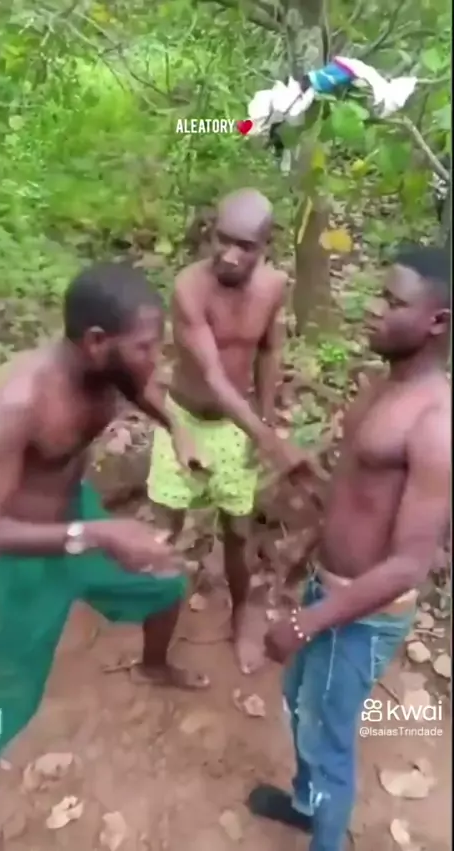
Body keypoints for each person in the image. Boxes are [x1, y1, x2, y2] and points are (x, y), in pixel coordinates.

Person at [0, 261, 209, 823]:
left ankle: (154, 666)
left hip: (78, 522)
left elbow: (142, 387)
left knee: (166, 582)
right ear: (96, 342)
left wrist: (178, 428)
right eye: (145, 347)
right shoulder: (18, 404)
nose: (155, 360)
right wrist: (101, 533)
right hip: (13, 564)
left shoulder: (111, 369)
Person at [247, 245, 451, 851]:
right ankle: (305, 804)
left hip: (360, 617)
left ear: (437, 322)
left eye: (393, 303)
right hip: (329, 590)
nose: (373, 309)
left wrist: (305, 624)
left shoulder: (435, 423)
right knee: (298, 704)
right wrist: (308, 547)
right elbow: (357, 493)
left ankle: (325, 839)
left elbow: (409, 564)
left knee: (328, 740)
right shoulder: (383, 385)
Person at [147, 188, 307, 674]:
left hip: (238, 430)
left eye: (245, 246)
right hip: (183, 422)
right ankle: (154, 653)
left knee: (238, 532)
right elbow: (213, 377)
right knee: (165, 535)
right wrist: (268, 438)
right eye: (222, 239)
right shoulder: (189, 288)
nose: (230, 255)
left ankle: (241, 616)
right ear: (210, 232)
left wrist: (268, 417)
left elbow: (269, 350)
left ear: (266, 246)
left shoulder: (274, 286)